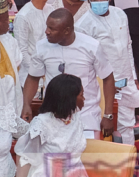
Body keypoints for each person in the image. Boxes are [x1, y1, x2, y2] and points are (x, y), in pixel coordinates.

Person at [23, 8, 115, 136]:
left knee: (87, 155)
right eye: (47, 27)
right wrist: (26, 104)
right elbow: (33, 78)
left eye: (52, 29)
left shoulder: (91, 46)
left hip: (86, 116)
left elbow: (108, 78)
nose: (47, 32)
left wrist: (108, 115)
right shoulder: (41, 47)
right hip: (52, 116)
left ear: (66, 30)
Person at [9, 74, 95, 177]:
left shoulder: (75, 117)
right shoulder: (41, 124)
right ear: (69, 98)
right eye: (81, 94)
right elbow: (25, 158)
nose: (84, 98)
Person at [77, 0, 139, 145]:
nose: (99, 1)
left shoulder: (120, 14)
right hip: (102, 84)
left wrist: (134, 78)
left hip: (125, 78)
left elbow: (128, 47)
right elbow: (85, 63)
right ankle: (108, 165)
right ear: (88, 0)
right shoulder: (82, 25)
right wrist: (103, 85)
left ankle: (128, 163)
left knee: (127, 125)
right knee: (104, 126)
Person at [14, 0, 54, 88]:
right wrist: (37, 71)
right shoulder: (23, 16)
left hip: (49, 74)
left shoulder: (50, 10)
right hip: (30, 77)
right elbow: (22, 50)